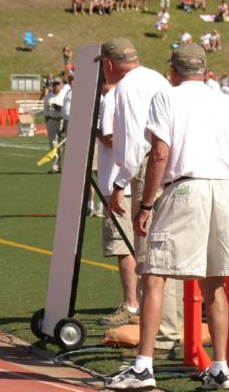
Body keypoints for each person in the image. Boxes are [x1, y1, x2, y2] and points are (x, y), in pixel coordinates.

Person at [106, 44, 229, 390]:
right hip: (223, 188)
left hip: (186, 188)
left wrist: (145, 205)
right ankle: (221, 368)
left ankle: (143, 366)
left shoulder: (168, 97)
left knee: (155, 276)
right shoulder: (226, 102)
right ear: (206, 72)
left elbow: (160, 153)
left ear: (173, 72)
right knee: (215, 282)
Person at [101, 38, 183, 358]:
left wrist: (120, 184)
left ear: (109, 64)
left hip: (149, 167)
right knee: (165, 254)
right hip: (170, 165)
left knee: (149, 256)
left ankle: (161, 334)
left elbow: (136, 142)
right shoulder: (155, 78)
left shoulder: (126, 89)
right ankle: (170, 328)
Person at [96, 82, 139, 327]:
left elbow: (112, 138)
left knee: (124, 246)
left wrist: (94, 132)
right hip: (138, 182)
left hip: (120, 184)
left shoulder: (113, 95)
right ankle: (140, 303)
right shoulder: (142, 89)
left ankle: (131, 304)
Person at [43, 79, 65, 173]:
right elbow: (45, 110)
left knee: (65, 145)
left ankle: (65, 167)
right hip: (52, 121)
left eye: (58, 84)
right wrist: (47, 121)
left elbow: (68, 108)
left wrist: (60, 108)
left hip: (63, 120)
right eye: (54, 84)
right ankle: (55, 167)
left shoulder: (65, 95)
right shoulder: (48, 96)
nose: (56, 86)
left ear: (61, 85)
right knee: (53, 144)